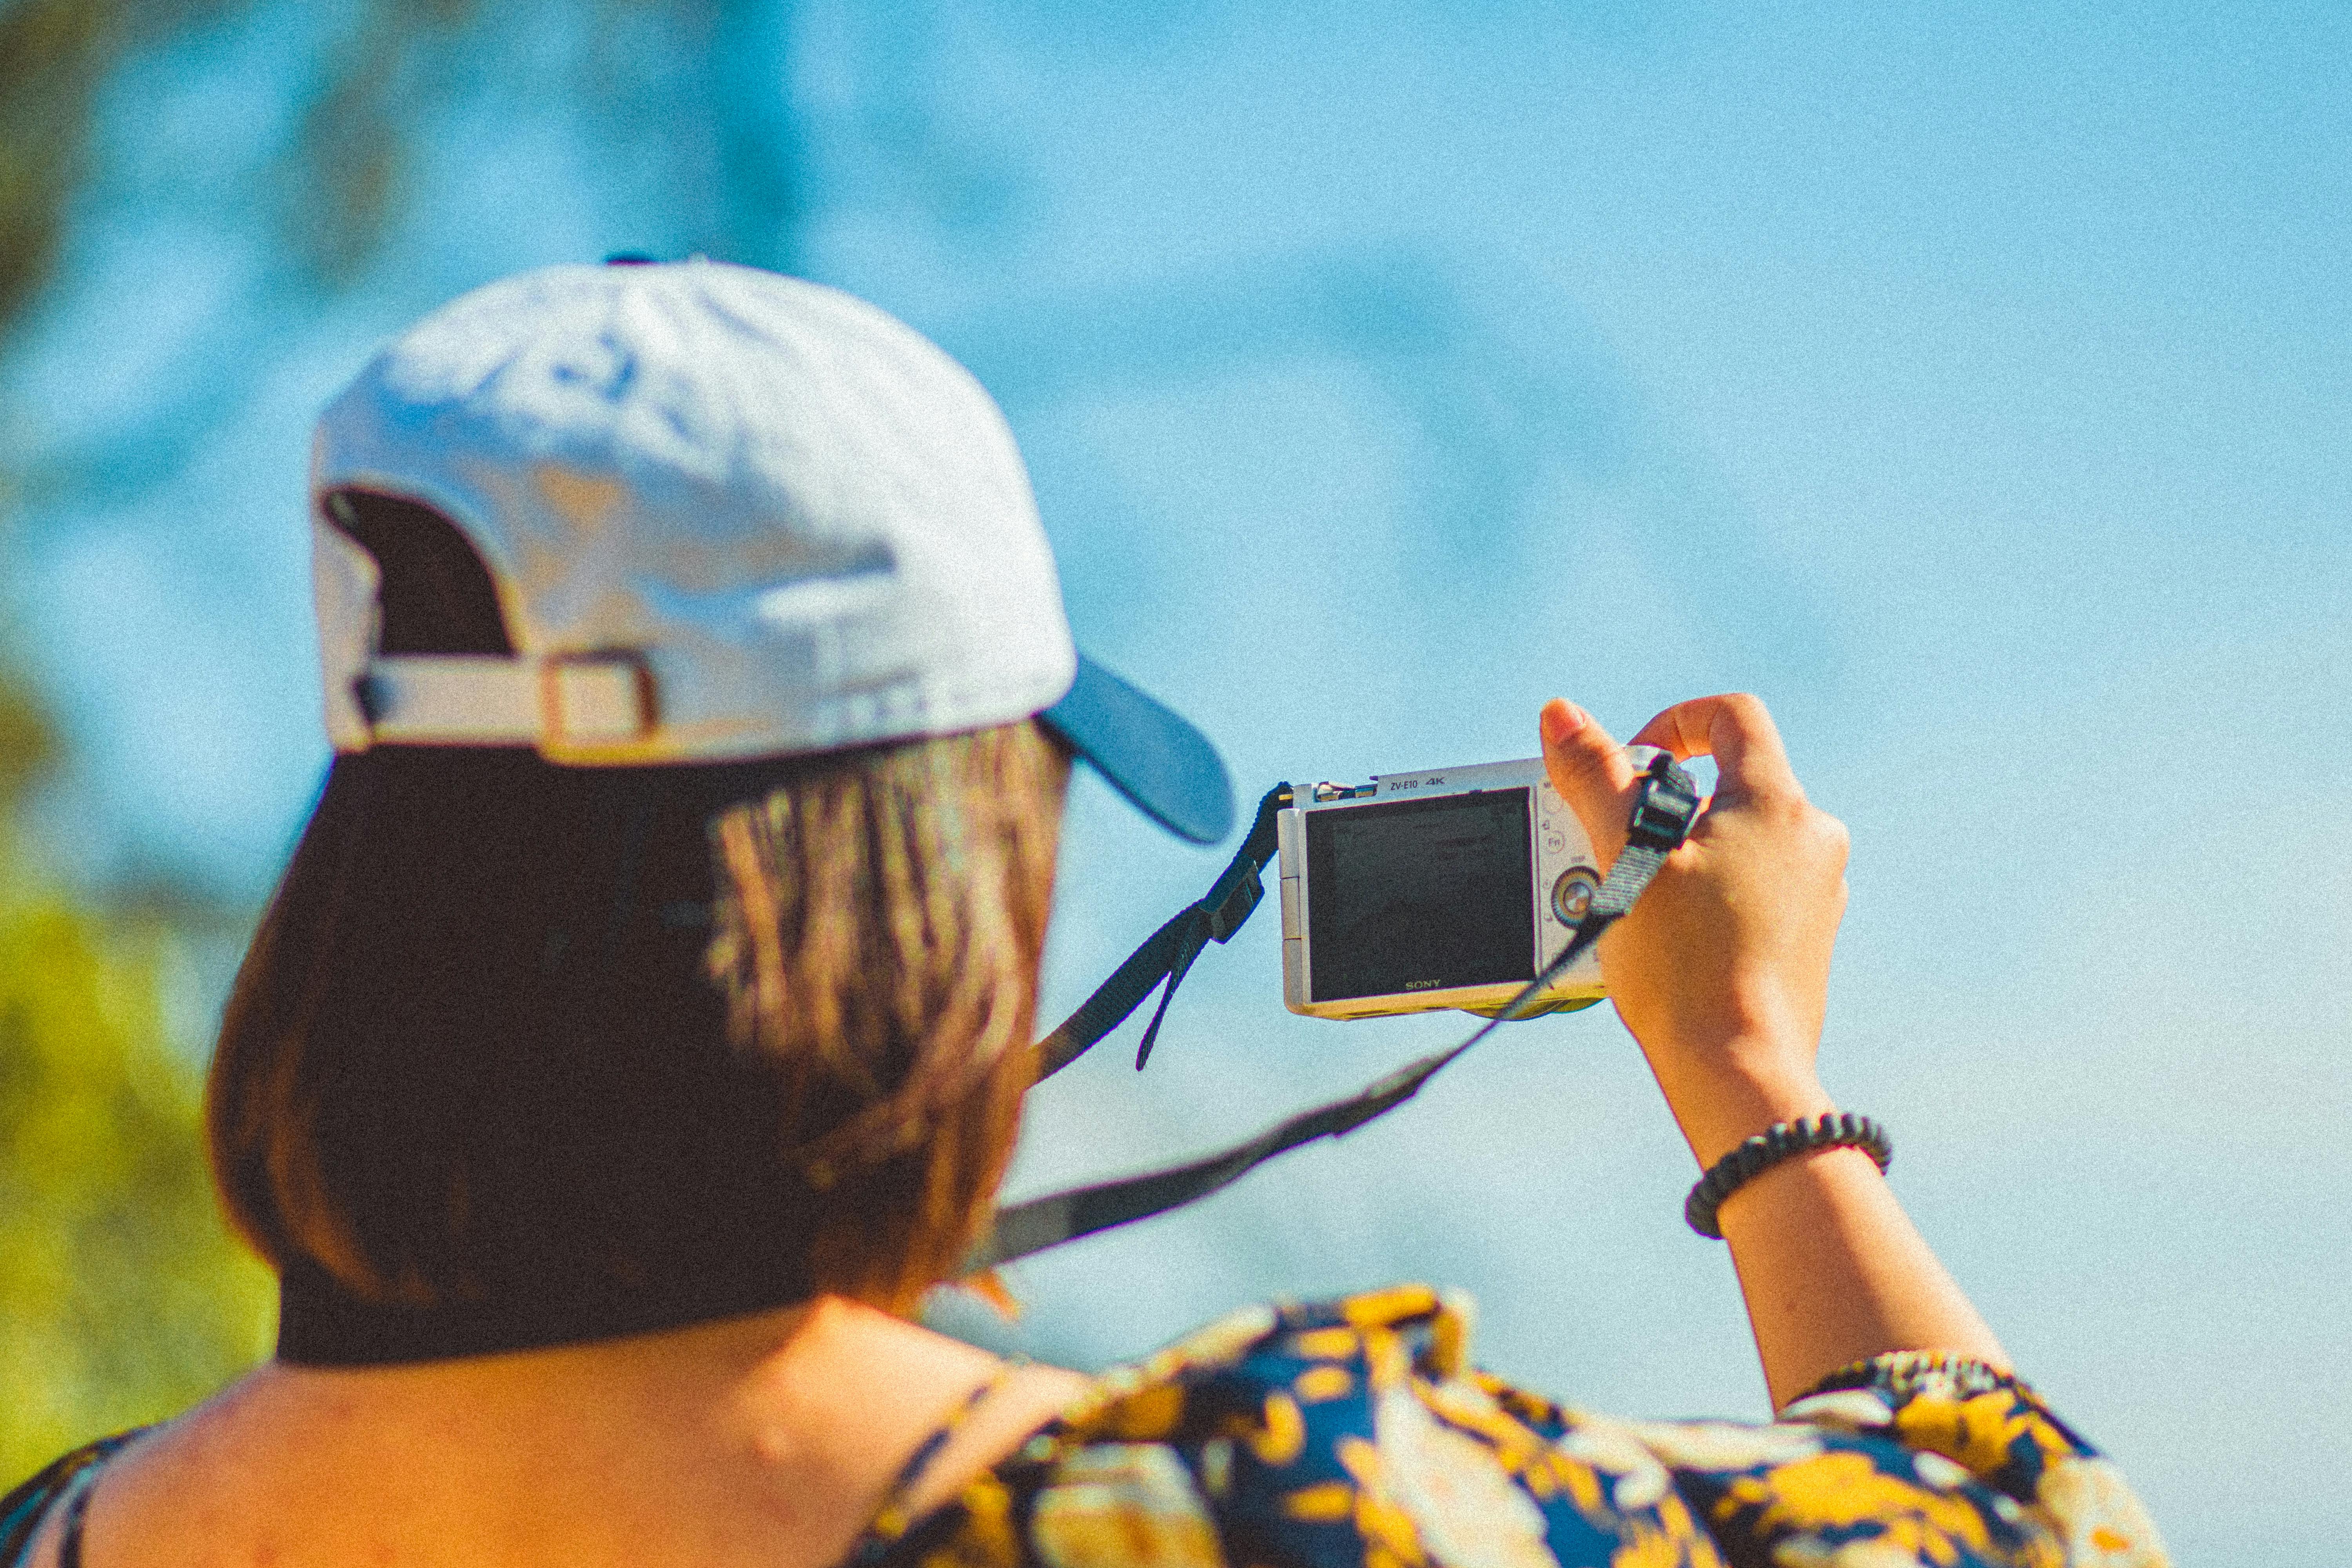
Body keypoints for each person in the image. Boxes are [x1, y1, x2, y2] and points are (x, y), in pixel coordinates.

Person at [0, 261, 2165, 1568]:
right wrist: (1752, 1069)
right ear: (920, 880)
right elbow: (2019, 1535)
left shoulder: (68, 1530)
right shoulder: (1222, 1515)